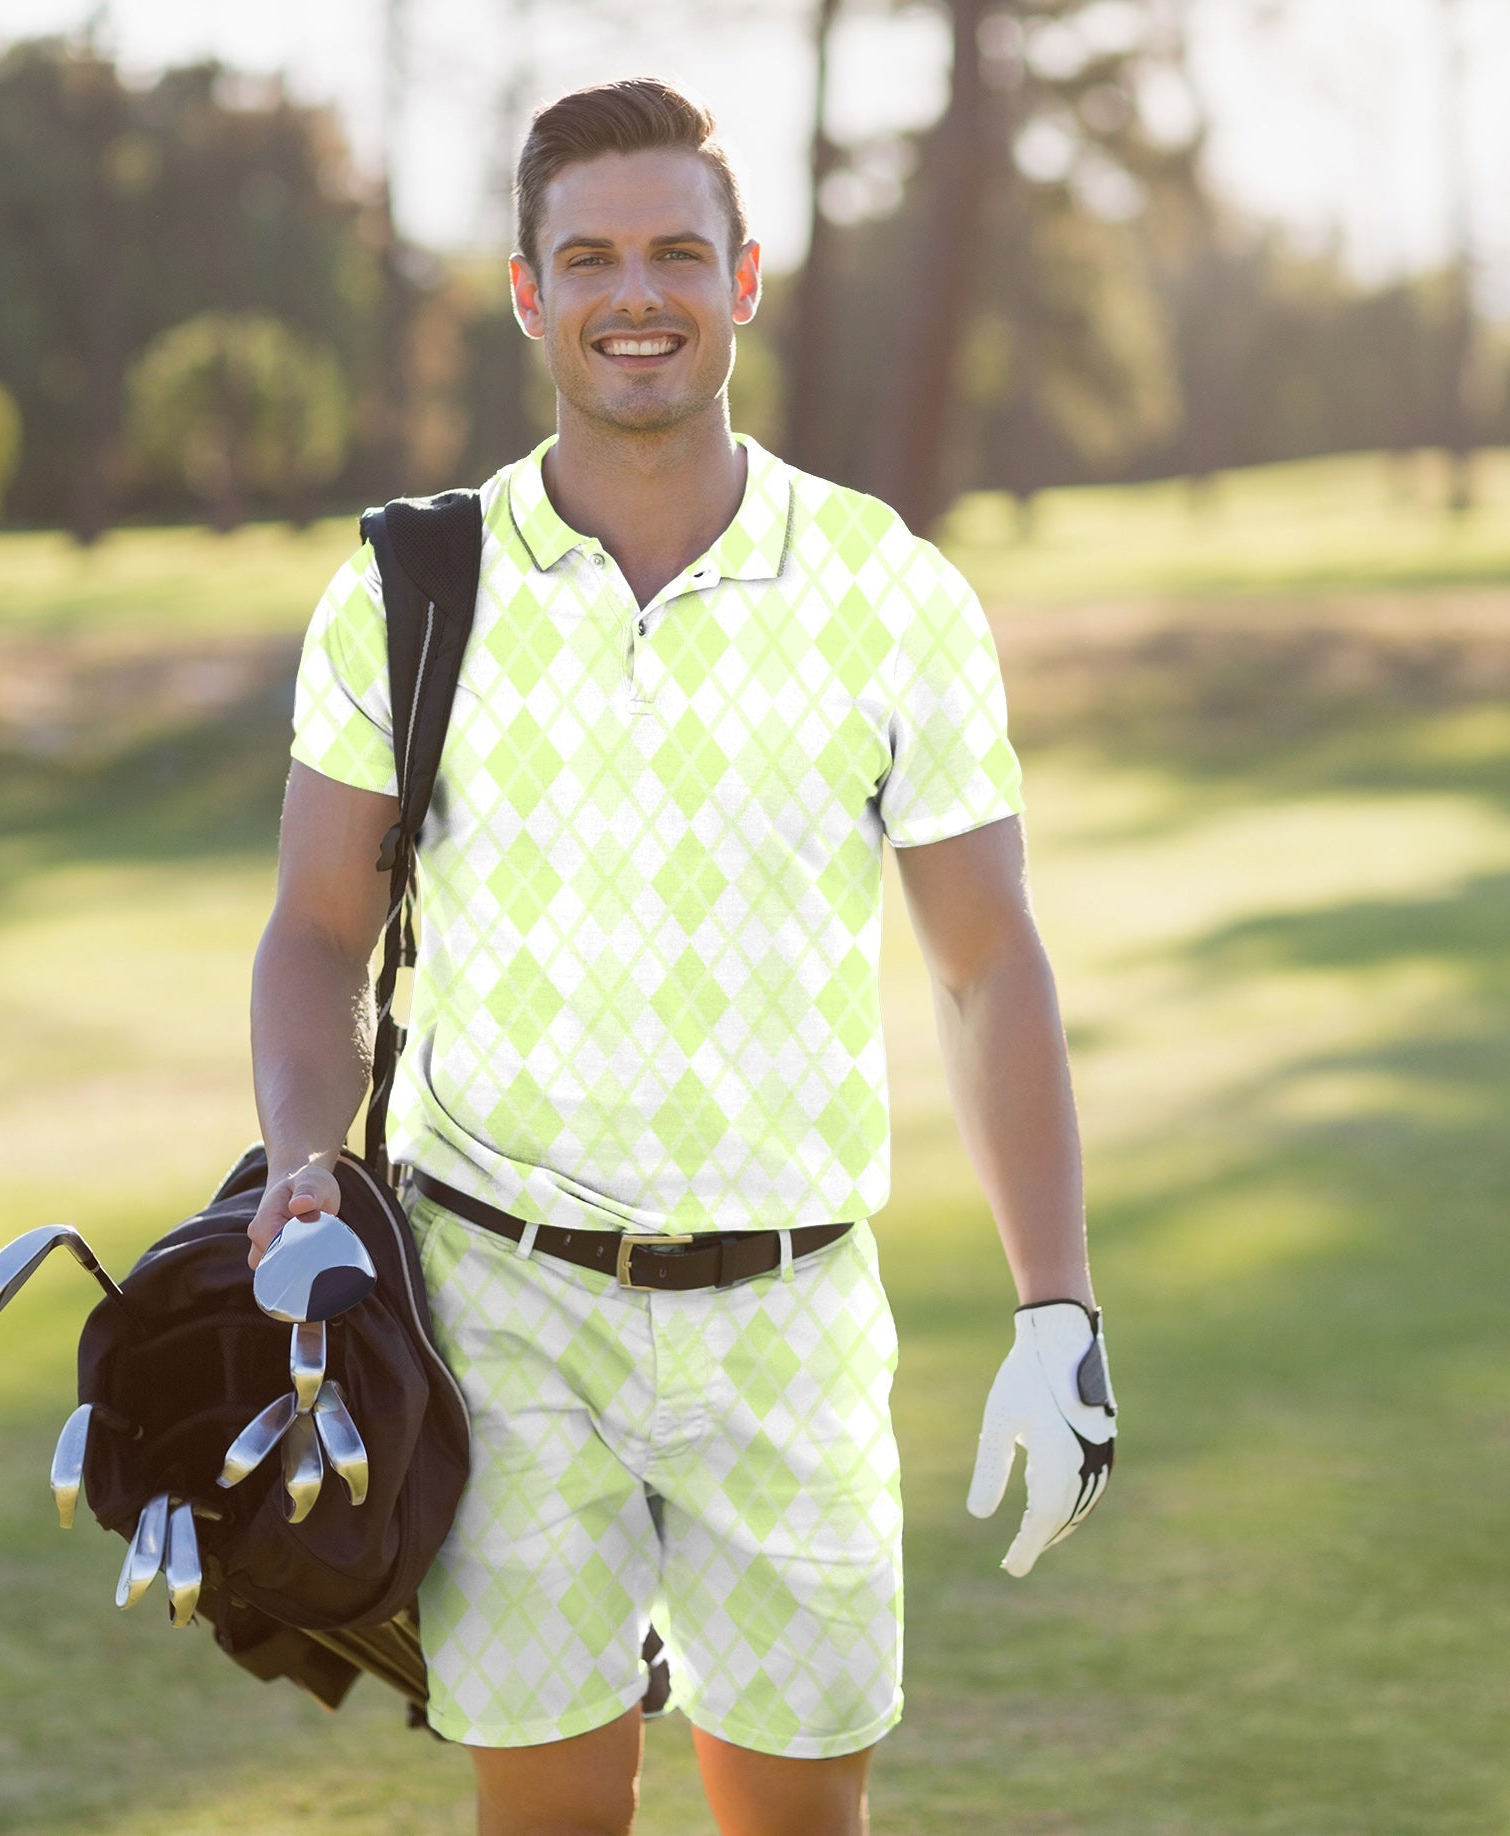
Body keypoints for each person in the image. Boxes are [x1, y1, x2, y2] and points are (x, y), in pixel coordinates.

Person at [247, 77, 1113, 1836]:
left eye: (673, 253)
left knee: (798, 1818)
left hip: (792, 1315)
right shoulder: (412, 587)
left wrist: (1058, 1309)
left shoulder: (893, 591)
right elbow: (320, 927)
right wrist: (300, 1164)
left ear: (746, 277)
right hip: (498, 1305)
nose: (633, 291)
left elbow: (986, 965)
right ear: (527, 291)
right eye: (590, 257)